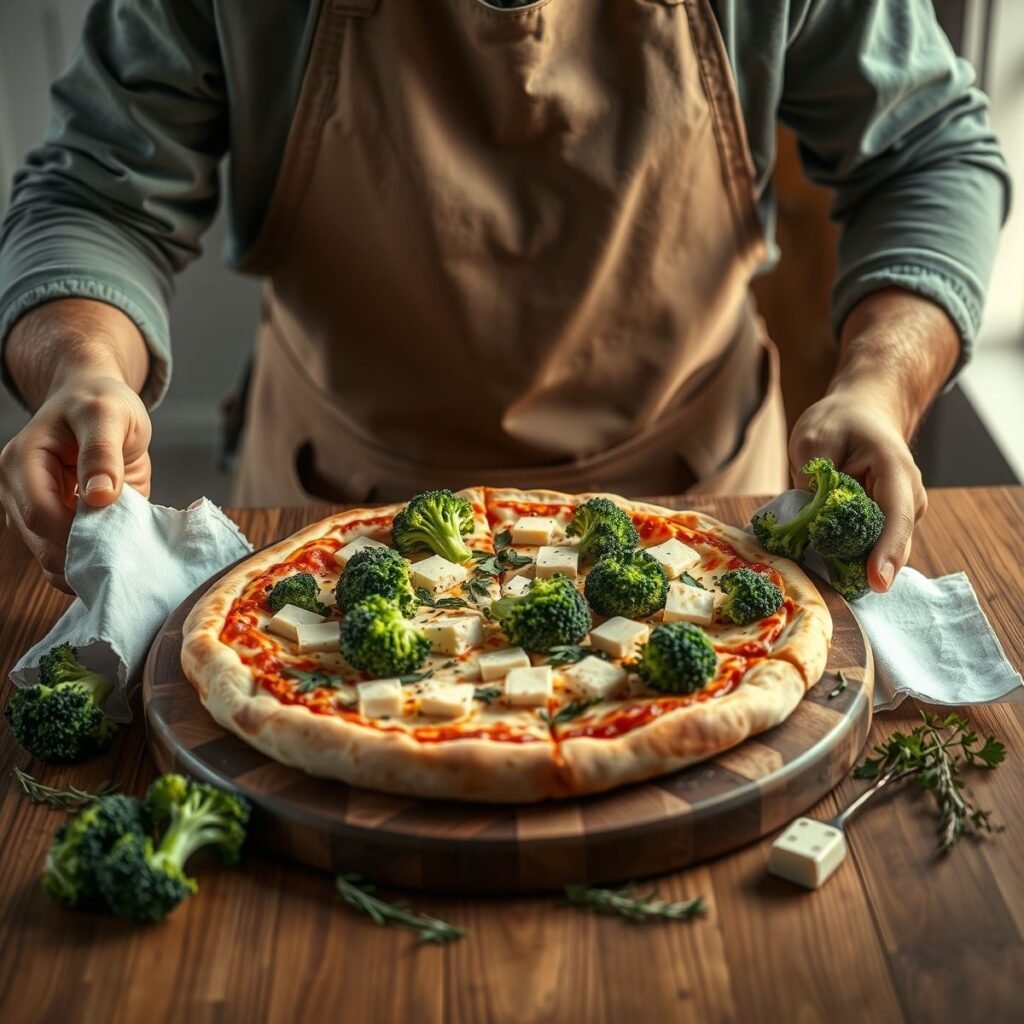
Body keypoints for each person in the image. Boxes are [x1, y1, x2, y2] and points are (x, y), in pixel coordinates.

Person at [0, 0, 1009, 596]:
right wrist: (81, 364)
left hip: (703, 506)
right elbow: (93, 195)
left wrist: (879, 385)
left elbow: (930, 154)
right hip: (328, 515)